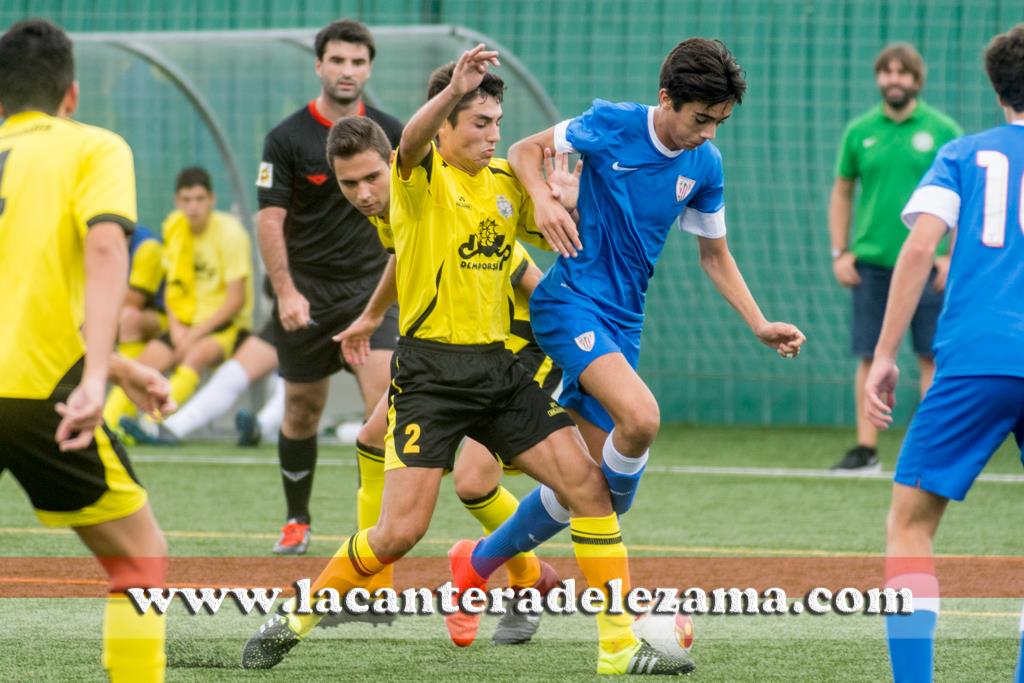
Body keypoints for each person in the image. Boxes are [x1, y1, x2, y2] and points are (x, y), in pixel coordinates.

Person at [242, 47, 692, 676]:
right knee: (399, 534)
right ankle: (296, 615)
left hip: (499, 372)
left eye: (497, 123)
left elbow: (567, 236)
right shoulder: (417, 180)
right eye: (479, 122)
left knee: (587, 488)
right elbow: (413, 144)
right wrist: (454, 85)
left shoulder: (507, 183)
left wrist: (569, 195)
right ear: (447, 123)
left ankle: (618, 649)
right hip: (429, 378)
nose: (493, 135)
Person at [458, 38, 805, 618]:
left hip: (624, 322)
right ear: (667, 98)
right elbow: (521, 151)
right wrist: (543, 200)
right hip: (568, 301)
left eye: (720, 121)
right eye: (701, 119)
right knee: (642, 418)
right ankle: (625, 623)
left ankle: (475, 566)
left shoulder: (705, 165)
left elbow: (714, 257)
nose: (710, 133)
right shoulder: (612, 124)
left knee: (587, 495)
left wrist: (759, 322)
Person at [325, 115, 567, 642]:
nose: (365, 193)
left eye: (373, 178)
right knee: (370, 438)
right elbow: (403, 256)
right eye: (351, 184)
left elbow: (533, 282)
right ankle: (375, 588)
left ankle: (526, 579)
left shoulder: (462, 198)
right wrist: (370, 318)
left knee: (474, 483)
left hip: (518, 349)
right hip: (440, 358)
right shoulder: (394, 205)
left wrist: (583, 351)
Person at [0, 19, 169, 682]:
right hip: (42, 390)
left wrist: (120, 367)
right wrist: (99, 375)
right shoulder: (94, 147)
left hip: (32, 370)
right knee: (139, 558)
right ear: (71, 95)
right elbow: (105, 249)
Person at [863, 24, 1024, 683]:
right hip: (981, 357)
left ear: (996, 88)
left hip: (977, 358)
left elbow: (921, 246)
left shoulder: (962, 154)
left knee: (910, 524)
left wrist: (884, 353)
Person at [255, 19, 403, 555]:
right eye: (337, 60)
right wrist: (287, 291)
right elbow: (270, 220)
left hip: (373, 291)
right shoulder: (287, 138)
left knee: (383, 409)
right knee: (300, 410)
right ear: (319, 65)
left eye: (358, 62)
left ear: (369, 68)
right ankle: (297, 519)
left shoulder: (392, 132)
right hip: (307, 295)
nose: (348, 71)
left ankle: (380, 532)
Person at [829, 42, 962, 472]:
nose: (894, 79)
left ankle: (933, 448)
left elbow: (964, 199)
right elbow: (843, 191)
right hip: (870, 263)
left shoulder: (944, 131)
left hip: (928, 266)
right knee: (870, 355)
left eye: (903, 73)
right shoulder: (859, 131)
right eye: (886, 72)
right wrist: (841, 251)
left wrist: (948, 256)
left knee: (930, 356)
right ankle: (866, 450)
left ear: (917, 80)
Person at [103, 166, 254, 436]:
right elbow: (173, 289)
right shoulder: (174, 226)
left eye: (199, 199)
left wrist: (192, 334)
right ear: (177, 201)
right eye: (186, 200)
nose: (193, 207)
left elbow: (235, 300)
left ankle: (158, 428)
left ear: (212, 200)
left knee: (196, 354)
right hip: (182, 325)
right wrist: (176, 330)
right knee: (141, 366)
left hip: (223, 327)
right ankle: (108, 425)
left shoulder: (231, 233)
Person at [120, 321, 282, 446]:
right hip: (294, 307)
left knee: (298, 372)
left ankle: (264, 425)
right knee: (233, 371)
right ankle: (172, 428)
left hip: (304, 314)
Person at [118, 223, 166, 359]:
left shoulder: (148, 247)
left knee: (128, 318)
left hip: (164, 318)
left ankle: (127, 375)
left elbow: (132, 302)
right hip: (131, 310)